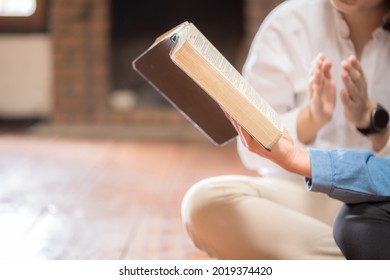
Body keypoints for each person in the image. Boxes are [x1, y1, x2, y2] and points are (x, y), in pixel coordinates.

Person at [181, 0, 390, 259]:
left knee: (360, 227)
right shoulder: (288, 23)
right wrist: (311, 119)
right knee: (204, 204)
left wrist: (373, 124)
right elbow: (249, 152)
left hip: (382, 209)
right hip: (301, 202)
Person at [229, 119, 390, 259]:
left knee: (357, 222)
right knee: (216, 195)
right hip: (300, 185)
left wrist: (298, 158)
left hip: (345, 187)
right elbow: (249, 155)